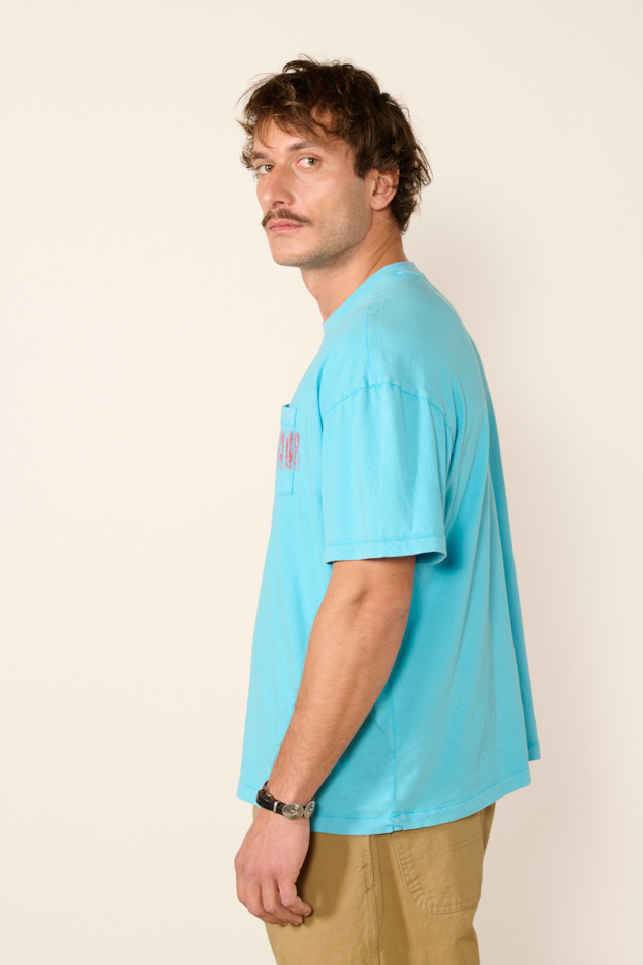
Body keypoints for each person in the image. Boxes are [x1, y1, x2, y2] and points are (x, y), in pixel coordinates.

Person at [233, 57, 540, 965]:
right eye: (261, 164)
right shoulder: (402, 328)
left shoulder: (375, 355)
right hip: (393, 785)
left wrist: (283, 801)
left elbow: (371, 594)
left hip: (367, 799)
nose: (275, 189)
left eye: (308, 160)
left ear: (380, 183)